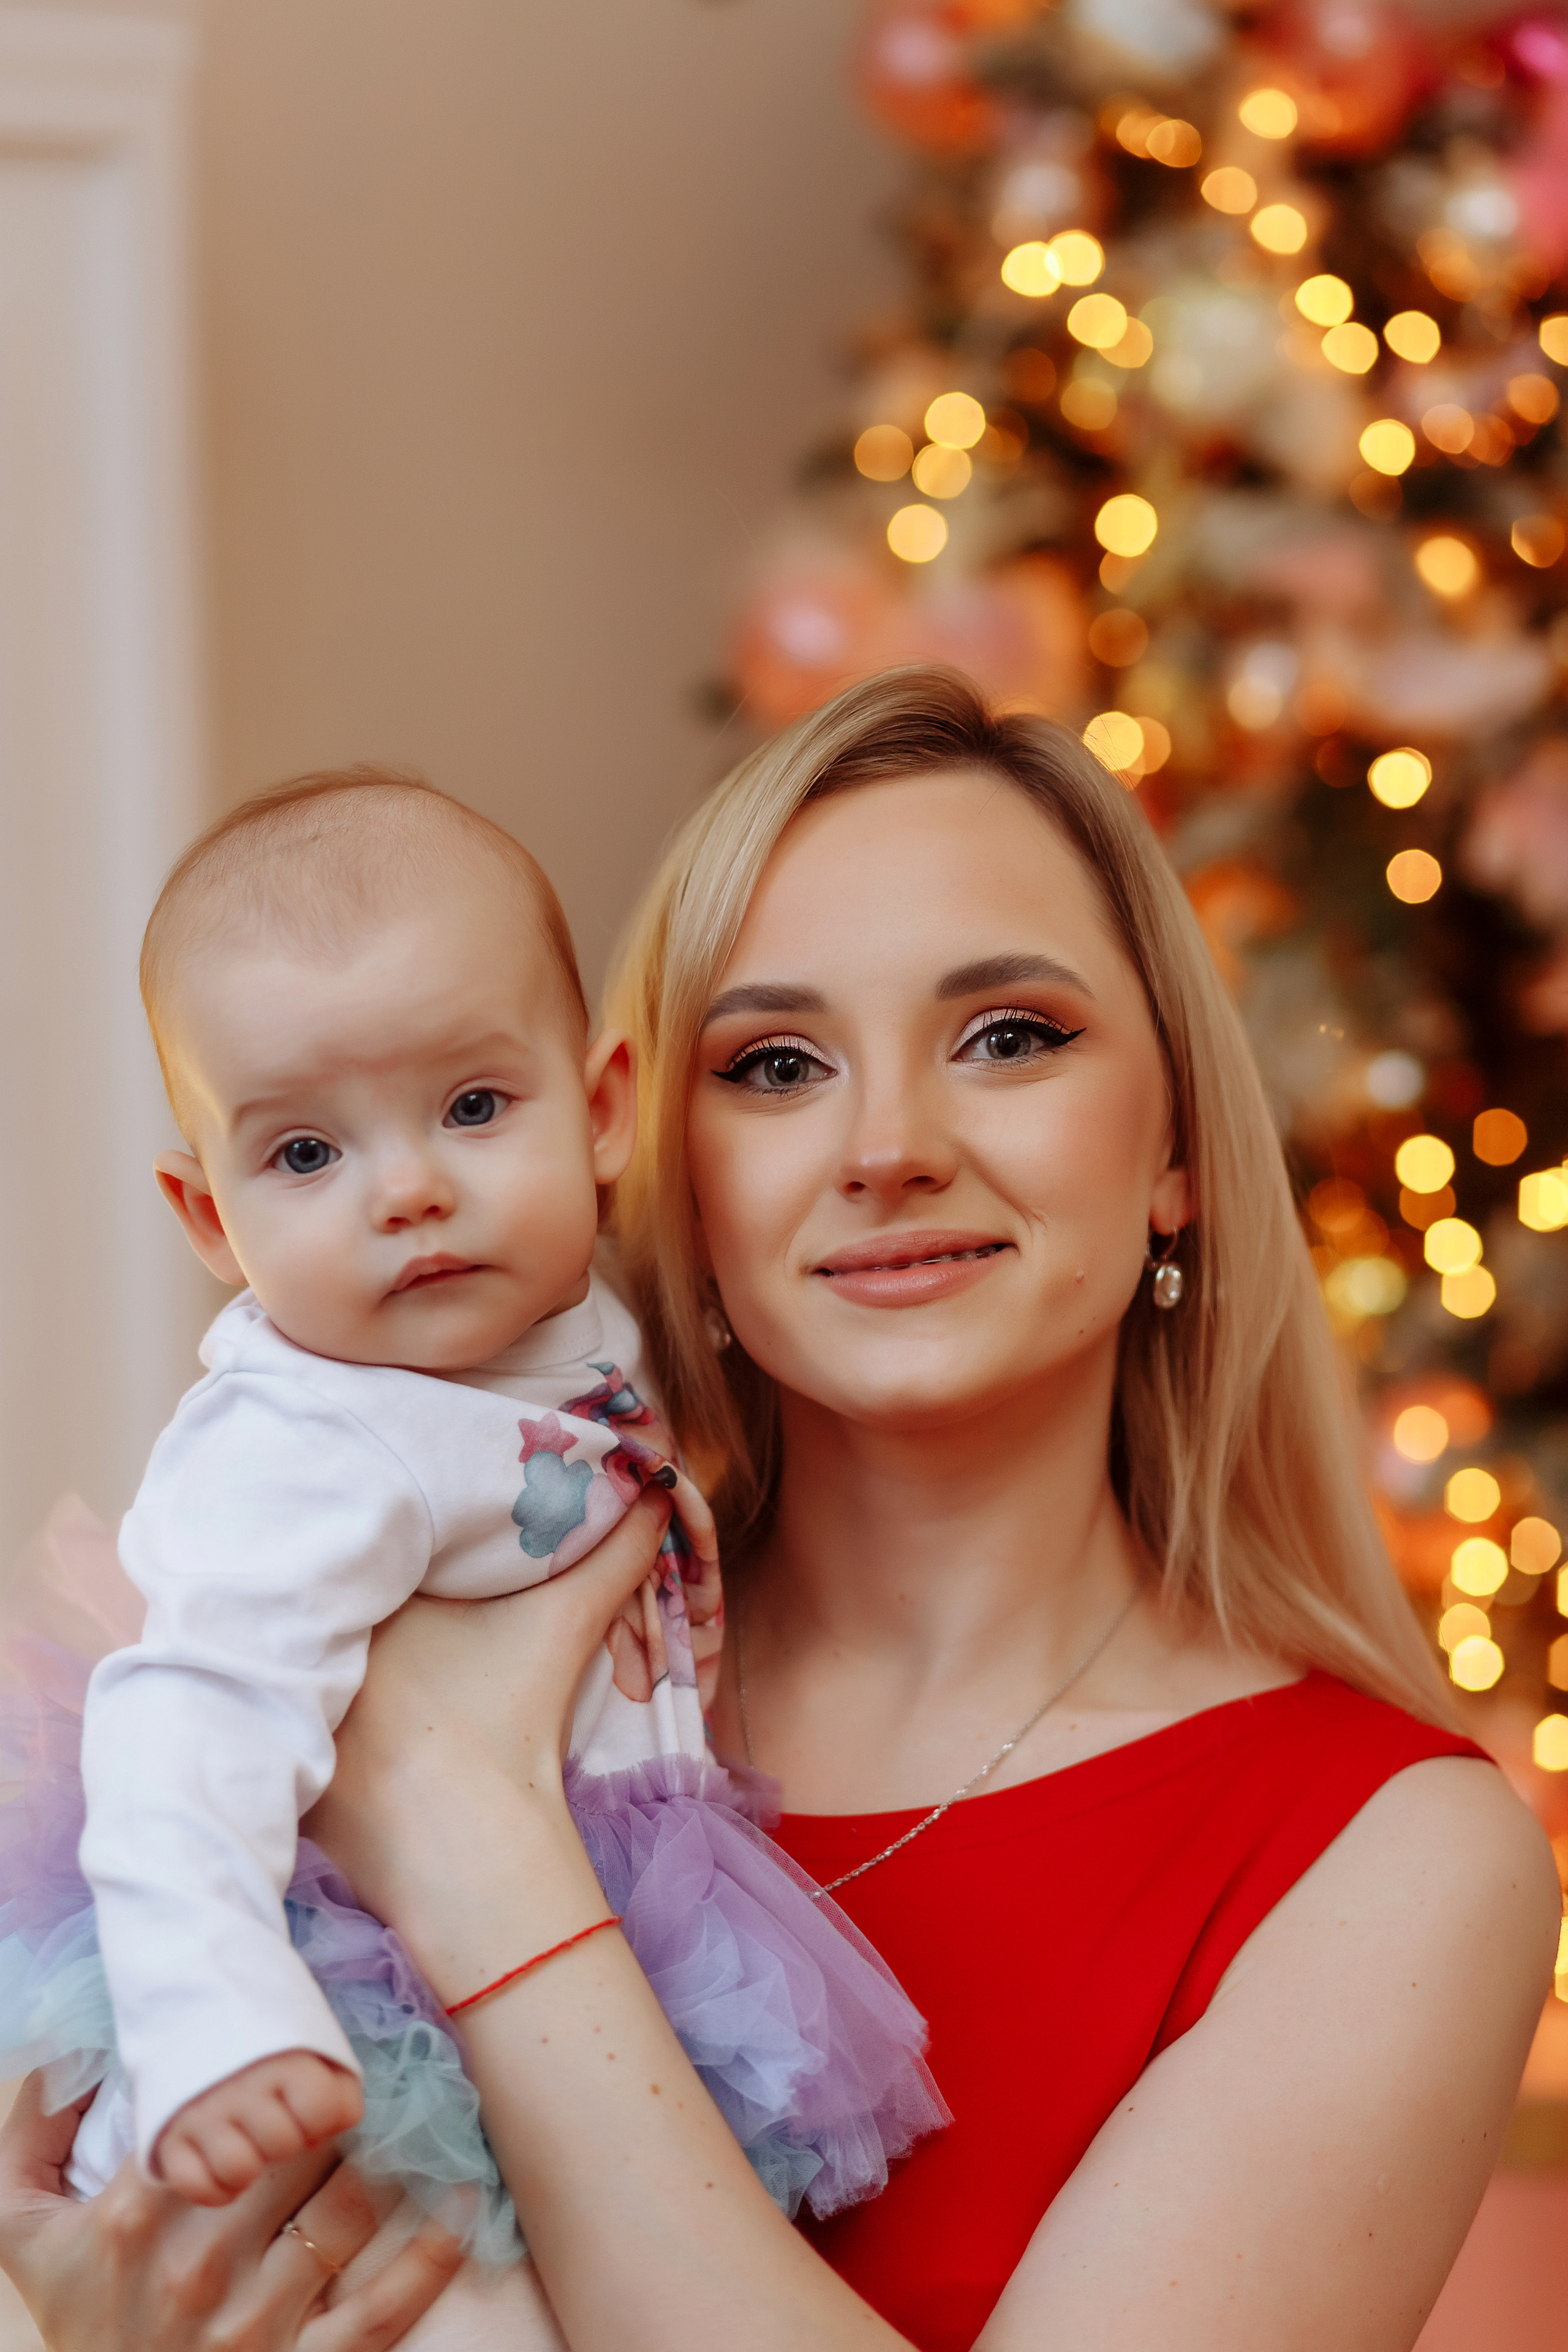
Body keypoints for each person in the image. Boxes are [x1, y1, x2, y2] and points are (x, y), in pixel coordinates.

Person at [0, 669, 1557, 2351]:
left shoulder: (1392, 1856)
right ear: (651, 1143)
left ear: (1173, 1141)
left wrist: (474, 1836)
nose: (888, 1145)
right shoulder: (354, 1630)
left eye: (1010, 1037)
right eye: (779, 1062)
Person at [0, 767, 941, 2309]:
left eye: (472, 1105)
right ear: (204, 1213)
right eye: (304, 1155)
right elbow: (184, 1728)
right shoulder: (302, 1444)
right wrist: (218, 2022)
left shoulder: (590, 1326)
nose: (412, 1189)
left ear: (600, 1109)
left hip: (553, 1936)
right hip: (332, 2013)